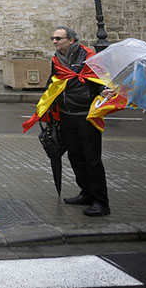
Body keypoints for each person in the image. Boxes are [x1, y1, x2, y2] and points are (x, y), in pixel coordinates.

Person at [50, 25, 110, 216]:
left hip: (86, 115)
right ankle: (86, 192)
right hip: (67, 114)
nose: (55, 41)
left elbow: (100, 78)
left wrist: (104, 90)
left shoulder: (88, 55)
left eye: (58, 38)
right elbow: (53, 83)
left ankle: (101, 202)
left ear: (71, 40)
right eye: (53, 38)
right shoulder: (56, 59)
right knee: (75, 156)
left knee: (91, 159)